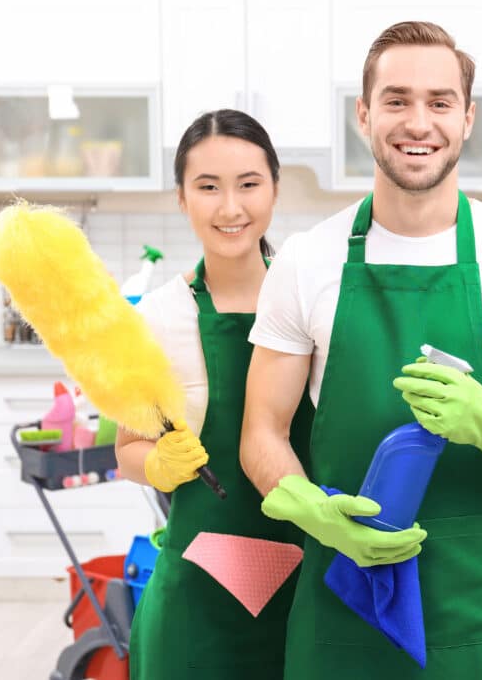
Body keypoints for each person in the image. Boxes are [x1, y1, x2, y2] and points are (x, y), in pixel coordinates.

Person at [240, 20, 482, 680]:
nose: (418, 122)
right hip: (344, 605)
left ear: (466, 119)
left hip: (480, 617)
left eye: (439, 102)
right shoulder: (306, 260)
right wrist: (316, 512)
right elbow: (261, 433)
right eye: (397, 100)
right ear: (365, 114)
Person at [115, 109, 313, 679]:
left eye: (249, 184)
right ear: (182, 197)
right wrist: (157, 462)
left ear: (274, 187)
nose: (231, 208)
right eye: (208, 187)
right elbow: (126, 451)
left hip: (312, 586)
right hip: (196, 605)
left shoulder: (314, 303)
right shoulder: (156, 320)